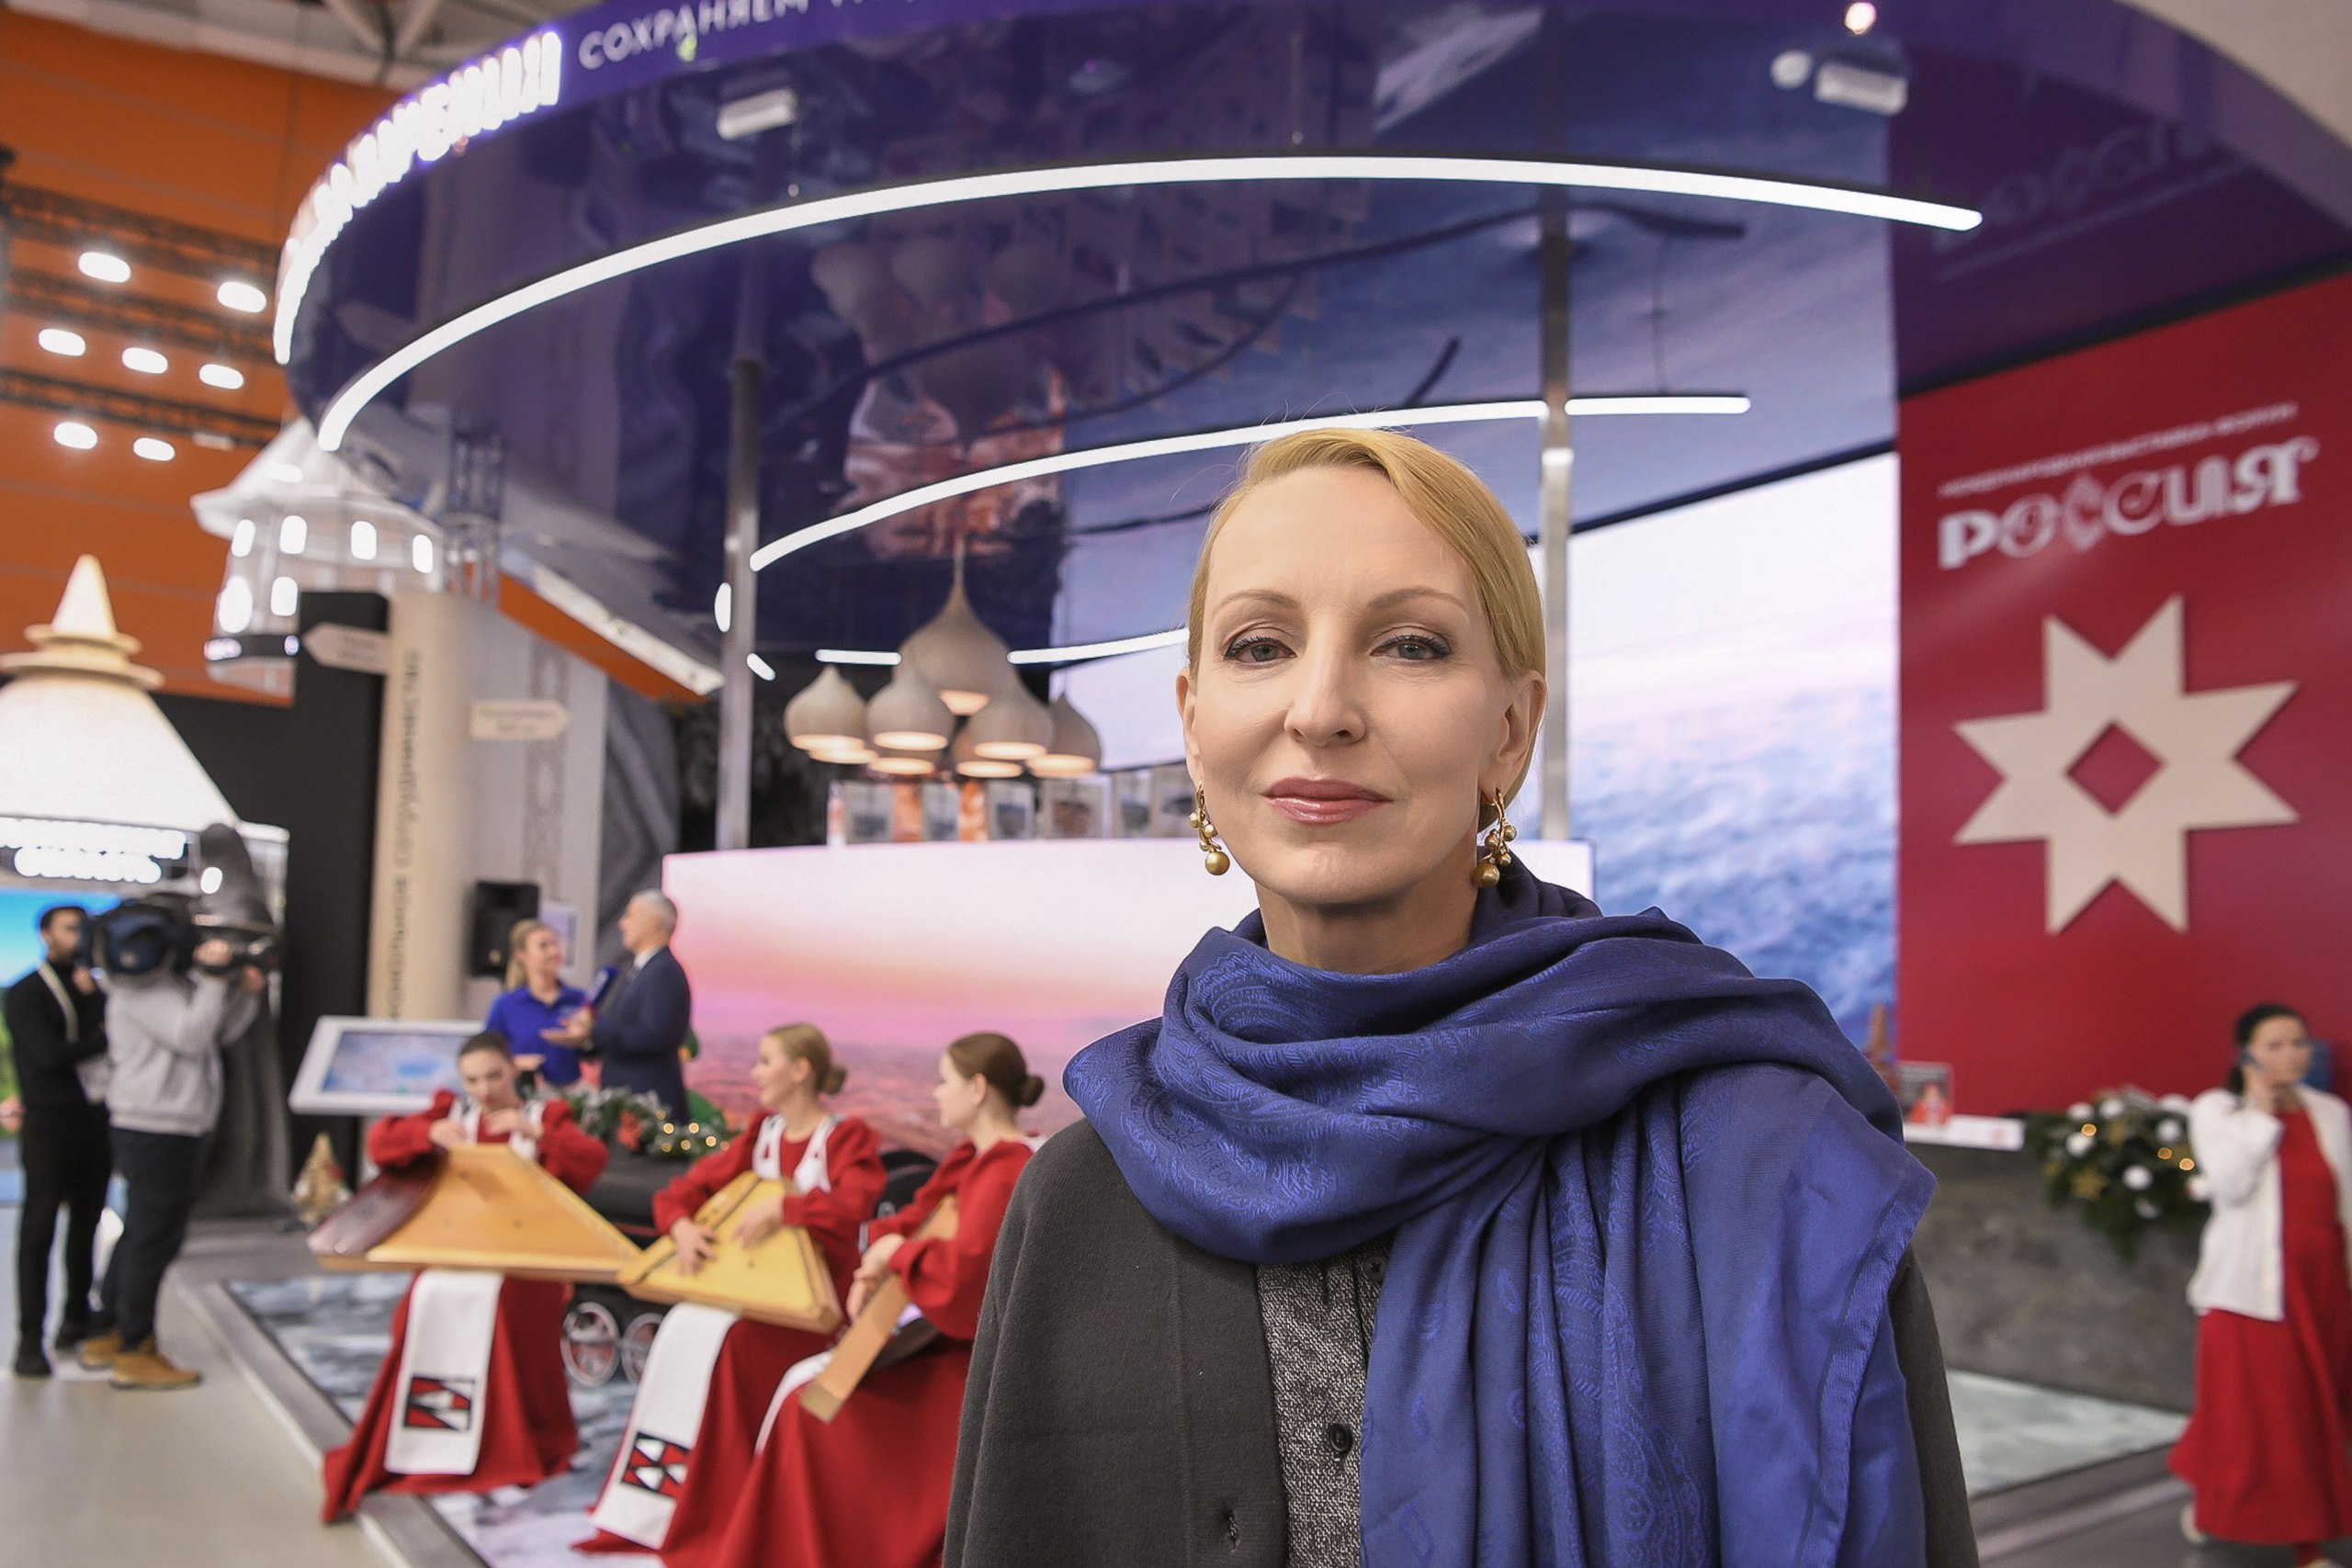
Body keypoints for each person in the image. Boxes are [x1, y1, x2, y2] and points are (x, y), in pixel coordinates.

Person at [946, 429, 1974, 1568]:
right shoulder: (1081, 1201)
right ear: (1193, 725)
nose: (1321, 710)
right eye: (1259, 645)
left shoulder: (1762, 1158)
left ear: (1510, 730)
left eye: (1409, 645)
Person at [708, 1032, 1040, 1568]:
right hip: (935, 1343)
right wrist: (880, 1260)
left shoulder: (1004, 1169)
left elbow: (963, 1285)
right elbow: (917, 1221)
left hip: (962, 1368)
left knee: (809, 1411)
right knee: (800, 1399)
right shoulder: (973, 1160)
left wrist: (895, 1254)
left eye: (943, 1081)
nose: (935, 1093)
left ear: (977, 1089)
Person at [579, 1023, 886, 1564]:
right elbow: (686, 1190)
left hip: (814, 1313)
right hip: (756, 1299)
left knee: (734, 1345)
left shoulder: (844, 1139)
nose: (755, 1072)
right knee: (682, 1329)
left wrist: (786, 1208)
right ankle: (677, 1499)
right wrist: (680, 1226)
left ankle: (729, 1505)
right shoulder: (762, 1135)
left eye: (765, 1061)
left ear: (800, 1070)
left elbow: (855, 1203)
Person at [322, 1032, 609, 1521]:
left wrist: (535, 1132)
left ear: (513, 1070)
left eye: (494, 1076)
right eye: (473, 1080)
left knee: (509, 1310)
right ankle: (426, 1430)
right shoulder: (451, 1114)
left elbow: (591, 1161)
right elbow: (381, 1144)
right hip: (454, 1248)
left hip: (523, 1258)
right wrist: (426, 1135)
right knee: (419, 1304)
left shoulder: (545, 1116)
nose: (485, 1089)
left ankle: (515, 1439)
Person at [2173, 1003, 2352, 1564]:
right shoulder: (2218, 1110)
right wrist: (2262, 1112)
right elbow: (2229, 1187)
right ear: (2247, 1053)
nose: (2291, 1054)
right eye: (2274, 1045)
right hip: (2254, 1291)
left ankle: (2214, 1493)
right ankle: (2305, 1544)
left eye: (2299, 1042)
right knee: (2273, 1414)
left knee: (2320, 1408)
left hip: (2324, 1283)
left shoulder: (2331, 1112)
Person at [76, 926, 265, 1392]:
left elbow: (216, 1032)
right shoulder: (144, 989)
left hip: (169, 1124)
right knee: (153, 1238)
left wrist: (241, 994)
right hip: (156, 1127)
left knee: (144, 1231)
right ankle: (134, 1349)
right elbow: (191, 1037)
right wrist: (215, 978)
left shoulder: (166, 985)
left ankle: (110, 1329)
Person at [5, 904, 110, 1377]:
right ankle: (30, 1338)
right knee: (39, 1229)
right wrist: (102, 1038)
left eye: (83, 928)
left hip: (95, 1120)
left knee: (87, 1224)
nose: (78, 936)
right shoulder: (26, 992)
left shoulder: (95, 990)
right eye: (69, 928)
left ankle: (76, 1318)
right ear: (46, 934)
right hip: (48, 1125)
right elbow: (47, 1057)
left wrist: (95, 1004)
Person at [545, 891, 691, 1117]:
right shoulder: (642, 970)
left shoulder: (664, 972)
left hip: (648, 1107)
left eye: (630, 916)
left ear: (653, 923)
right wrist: (586, 1039)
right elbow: (625, 1033)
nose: (622, 924)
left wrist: (593, 1033)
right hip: (632, 1103)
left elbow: (654, 1036)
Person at [483, 919, 590, 1087]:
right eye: (543, 946)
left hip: (574, 1092)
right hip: (524, 1091)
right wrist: (516, 1063)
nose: (554, 952)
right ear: (522, 955)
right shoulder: (506, 1005)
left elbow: (601, 1045)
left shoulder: (579, 999)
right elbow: (488, 1053)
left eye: (555, 944)